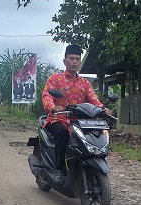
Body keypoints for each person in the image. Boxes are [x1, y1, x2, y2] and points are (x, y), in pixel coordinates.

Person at [42, 44, 111, 184]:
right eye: (71, 58)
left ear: (80, 62)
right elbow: (46, 95)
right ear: (65, 61)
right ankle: (59, 170)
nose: (74, 61)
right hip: (58, 119)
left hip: (79, 121)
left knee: (96, 134)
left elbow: (94, 100)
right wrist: (53, 107)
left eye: (77, 59)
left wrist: (104, 109)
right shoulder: (55, 79)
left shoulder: (85, 83)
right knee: (62, 133)